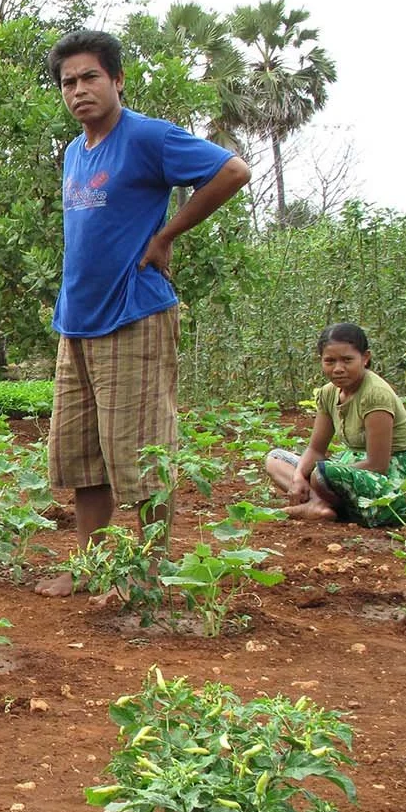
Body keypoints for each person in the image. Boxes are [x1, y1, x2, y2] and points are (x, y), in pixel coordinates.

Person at [35, 30, 252, 597]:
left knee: (141, 452)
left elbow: (233, 171)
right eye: (68, 82)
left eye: (90, 78)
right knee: (83, 455)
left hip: (134, 315)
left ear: (117, 80)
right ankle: (89, 568)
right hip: (77, 320)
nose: (78, 90)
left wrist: (167, 235)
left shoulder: (148, 137)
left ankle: (146, 574)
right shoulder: (75, 153)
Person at [265, 323, 406, 526]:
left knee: (321, 474)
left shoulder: (375, 394)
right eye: (330, 361)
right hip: (352, 466)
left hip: (394, 476)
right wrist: (300, 476)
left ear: (365, 358)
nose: (338, 369)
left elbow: (377, 465)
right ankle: (323, 505)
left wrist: (319, 477)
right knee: (275, 459)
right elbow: (316, 449)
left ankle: (319, 504)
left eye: (347, 360)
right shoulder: (329, 393)